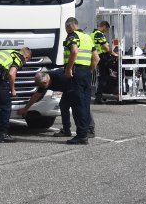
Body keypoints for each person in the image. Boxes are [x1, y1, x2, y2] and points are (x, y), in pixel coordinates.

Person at [64, 17, 100, 145]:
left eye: (66, 27)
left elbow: (74, 51)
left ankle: (81, 136)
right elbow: (96, 58)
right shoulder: (87, 37)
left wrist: (68, 69)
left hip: (75, 73)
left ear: (69, 26)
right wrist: (89, 70)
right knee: (85, 104)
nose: (66, 30)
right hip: (86, 73)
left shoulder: (72, 36)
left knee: (77, 105)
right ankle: (84, 132)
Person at [18, 70, 73, 136]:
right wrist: (25, 109)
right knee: (63, 106)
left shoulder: (59, 76)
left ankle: (85, 130)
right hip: (66, 90)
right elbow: (35, 96)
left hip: (74, 87)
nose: (40, 87)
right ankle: (66, 130)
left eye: (40, 85)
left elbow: (71, 82)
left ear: (45, 82)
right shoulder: (43, 82)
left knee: (77, 108)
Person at [92, 20, 117, 104]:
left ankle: (100, 96)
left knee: (103, 76)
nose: (106, 31)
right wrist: (114, 54)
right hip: (102, 58)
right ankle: (114, 91)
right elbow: (106, 47)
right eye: (106, 29)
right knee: (117, 69)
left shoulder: (92, 34)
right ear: (104, 26)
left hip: (96, 57)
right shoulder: (99, 34)